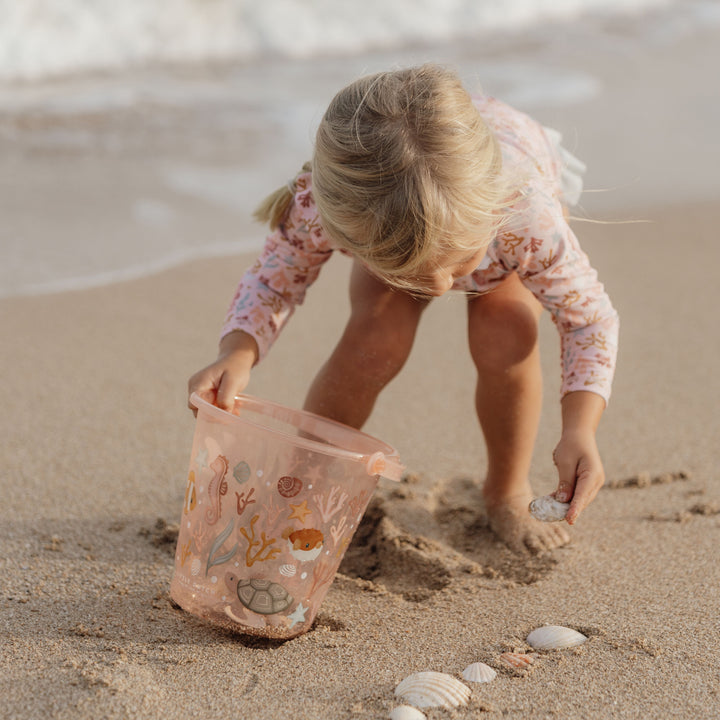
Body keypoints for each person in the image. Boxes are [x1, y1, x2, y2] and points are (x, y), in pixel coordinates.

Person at [187, 64, 619, 555]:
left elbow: (589, 319)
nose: (438, 287)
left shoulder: (523, 216)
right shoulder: (328, 208)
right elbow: (273, 281)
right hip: (401, 204)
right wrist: (238, 352)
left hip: (495, 217)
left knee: (507, 331)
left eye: (457, 264)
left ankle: (506, 489)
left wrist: (580, 427)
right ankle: (307, 481)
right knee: (375, 336)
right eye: (414, 272)